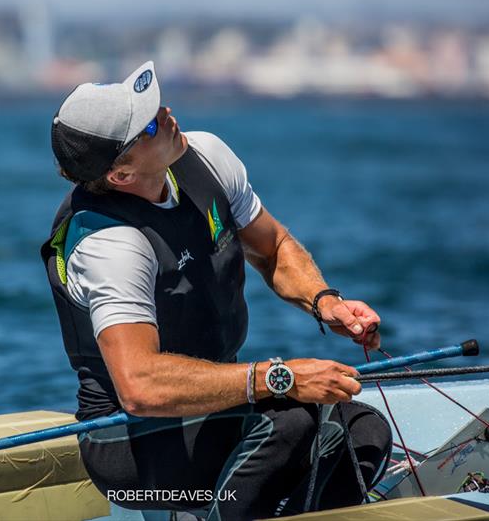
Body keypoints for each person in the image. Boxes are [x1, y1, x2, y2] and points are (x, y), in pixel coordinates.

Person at [41, 61, 392, 519]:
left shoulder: (204, 155)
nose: (167, 115)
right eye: (149, 124)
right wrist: (278, 376)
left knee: (365, 431)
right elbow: (140, 385)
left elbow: (273, 248)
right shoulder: (109, 244)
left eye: (157, 104)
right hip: (130, 441)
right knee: (288, 423)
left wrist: (325, 302)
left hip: (212, 408)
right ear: (122, 174)